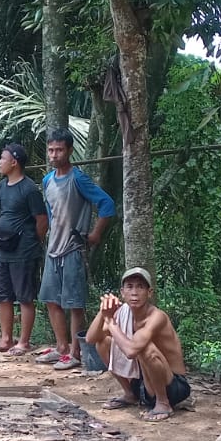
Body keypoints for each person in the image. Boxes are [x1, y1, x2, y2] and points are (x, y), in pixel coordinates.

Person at [38, 129, 116, 370]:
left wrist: (95, 234)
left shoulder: (78, 179)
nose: (54, 155)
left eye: (59, 150)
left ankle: (75, 352)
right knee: (51, 300)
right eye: (51, 150)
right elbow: (51, 213)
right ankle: (61, 347)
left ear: (69, 151)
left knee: (74, 304)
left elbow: (107, 204)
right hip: (53, 248)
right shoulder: (47, 180)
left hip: (73, 249)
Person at [84, 267, 191, 421]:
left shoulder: (156, 317)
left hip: (173, 387)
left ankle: (163, 403)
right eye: (130, 287)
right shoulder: (122, 313)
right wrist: (103, 312)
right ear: (122, 292)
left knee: (146, 348)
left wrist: (111, 322)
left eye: (140, 287)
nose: (134, 292)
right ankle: (130, 394)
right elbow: (90, 339)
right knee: (103, 342)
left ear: (149, 292)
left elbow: (131, 351)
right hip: (143, 384)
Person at [0, 142, 49, 356]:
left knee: (24, 295)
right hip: (4, 248)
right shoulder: (2, 186)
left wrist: (32, 241)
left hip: (24, 250)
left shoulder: (29, 189)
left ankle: (23, 342)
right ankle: (6, 339)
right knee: (2, 294)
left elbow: (42, 220)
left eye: (3, 159)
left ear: (14, 162)